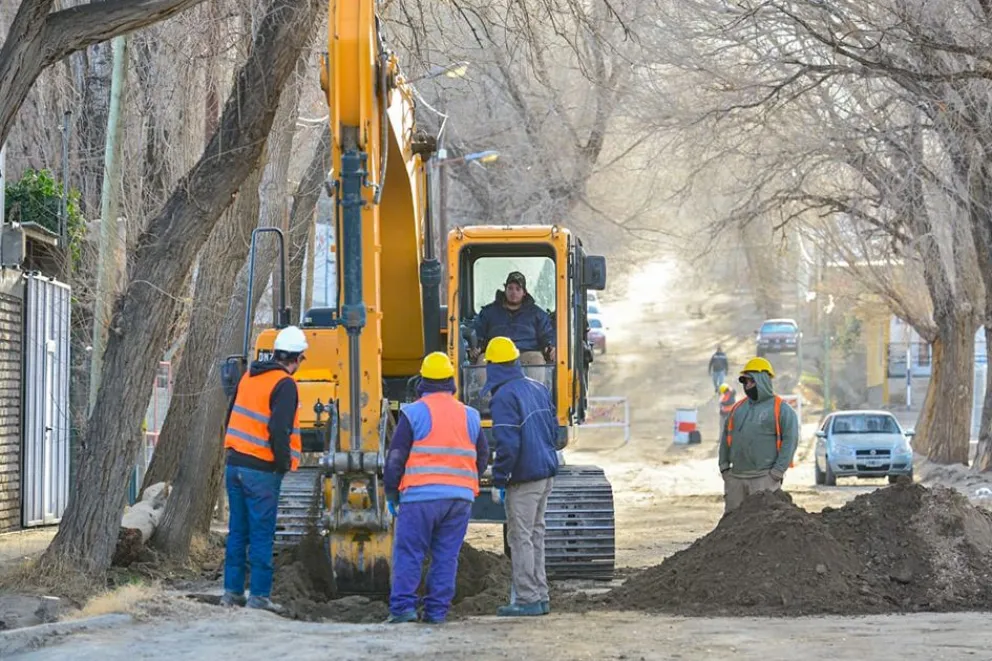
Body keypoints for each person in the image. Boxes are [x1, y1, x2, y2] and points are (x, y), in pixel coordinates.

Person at [383, 352, 489, 624]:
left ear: (422, 380)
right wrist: (466, 482)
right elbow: (483, 456)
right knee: (446, 557)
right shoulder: (470, 415)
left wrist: (391, 492)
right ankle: (436, 612)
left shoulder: (413, 412)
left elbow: (396, 457)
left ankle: (403, 609)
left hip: (420, 497)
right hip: (459, 500)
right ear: (451, 380)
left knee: (410, 553)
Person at [221, 325, 307, 613]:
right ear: (296, 358)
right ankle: (258, 595)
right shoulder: (285, 384)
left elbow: (231, 415)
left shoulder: (249, 376)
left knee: (238, 531)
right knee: (261, 533)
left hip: (235, 464)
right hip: (261, 470)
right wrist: (282, 465)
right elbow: (279, 430)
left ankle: (232, 592)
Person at [484, 336, 559, 617]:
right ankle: (540, 595)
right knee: (536, 534)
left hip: (524, 478)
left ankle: (527, 598)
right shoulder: (538, 388)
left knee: (521, 537)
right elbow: (553, 432)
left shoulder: (504, 396)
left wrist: (499, 478)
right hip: (545, 473)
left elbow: (508, 444)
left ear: (492, 366)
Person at [717, 357, 799, 514]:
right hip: (736, 480)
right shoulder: (737, 409)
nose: (747, 385)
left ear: (763, 379)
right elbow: (726, 439)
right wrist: (724, 468)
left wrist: (777, 472)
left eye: (751, 381)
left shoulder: (781, 409)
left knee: (764, 523)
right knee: (733, 523)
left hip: (764, 480)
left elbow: (790, 441)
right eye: (744, 381)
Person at [471, 271, 555, 366]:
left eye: (518, 289)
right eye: (510, 288)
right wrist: (476, 347)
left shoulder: (537, 314)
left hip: (525, 353)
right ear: (505, 289)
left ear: (524, 292)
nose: (513, 292)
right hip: (495, 354)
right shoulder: (488, 312)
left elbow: (547, 335)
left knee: (537, 360)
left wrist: (550, 346)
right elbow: (478, 333)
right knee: (482, 360)